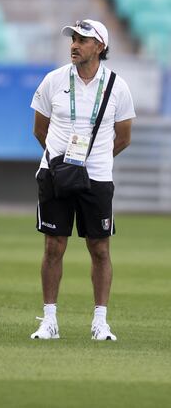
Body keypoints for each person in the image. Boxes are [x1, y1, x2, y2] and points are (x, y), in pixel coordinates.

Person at [30, 19, 135, 341]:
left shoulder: (118, 86)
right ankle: (49, 321)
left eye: (83, 40)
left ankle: (100, 322)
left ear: (100, 47)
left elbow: (124, 137)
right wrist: (63, 163)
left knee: (100, 249)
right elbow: (39, 129)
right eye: (73, 38)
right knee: (53, 246)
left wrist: (95, 160)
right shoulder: (53, 80)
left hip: (98, 178)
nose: (74, 45)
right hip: (55, 174)